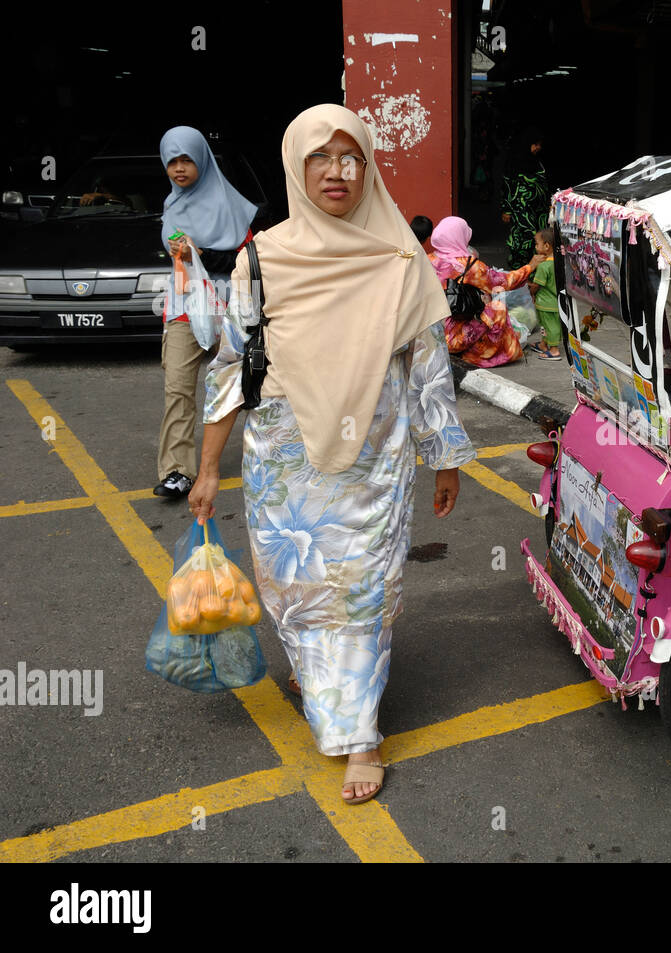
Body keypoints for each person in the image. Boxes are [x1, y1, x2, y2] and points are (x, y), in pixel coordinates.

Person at [188, 104, 476, 805]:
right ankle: (322, 681)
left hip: (374, 462)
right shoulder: (261, 258)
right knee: (297, 591)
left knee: (359, 593)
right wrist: (206, 468)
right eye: (320, 156)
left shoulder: (398, 258)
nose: (337, 171)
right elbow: (232, 367)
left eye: (351, 156)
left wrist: (444, 456)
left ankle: (361, 734)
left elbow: (427, 368)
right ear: (296, 165)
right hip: (285, 467)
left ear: (368, 164)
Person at [155, 126, 257, 499]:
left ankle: (263, 450)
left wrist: (202, 255)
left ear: (202, 160)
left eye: (186, 160)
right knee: (177, 389)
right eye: (172, 161)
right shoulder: (171, 204)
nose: (179, 169)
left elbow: (248, 259)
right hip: (185, 309)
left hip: (230, 309)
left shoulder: (231, 205)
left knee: (244, 385)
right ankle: (177, 471)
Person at [431, 216, 539, 368]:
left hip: (431, 335)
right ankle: (479, 355)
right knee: (497, 308)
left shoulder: (427, 261)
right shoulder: (468, 266)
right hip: (455, 338)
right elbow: (503, 282)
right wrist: (530, 267)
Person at [499, 126, 549, 269]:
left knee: (539, 240)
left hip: (539, 211)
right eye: (535, 144)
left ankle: (535, 273)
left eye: (539, 145)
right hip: (521, 211)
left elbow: (544, 185)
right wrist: (506, 210)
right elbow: (507, 187)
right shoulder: (514, 162)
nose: (537, 147)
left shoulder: (537, 162)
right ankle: (519, 272)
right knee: (523, 240)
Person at [526, 227, 561, 360]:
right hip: (553, 301)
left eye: (537, 244)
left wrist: (531, 292)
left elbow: (536, 285)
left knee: (550, 326)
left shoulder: (543, 266)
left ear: (546, 246)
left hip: (546, 303)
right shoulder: (557, 262)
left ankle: (554, 350)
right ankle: (543, 344)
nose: (535, 247)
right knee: (546, 325)